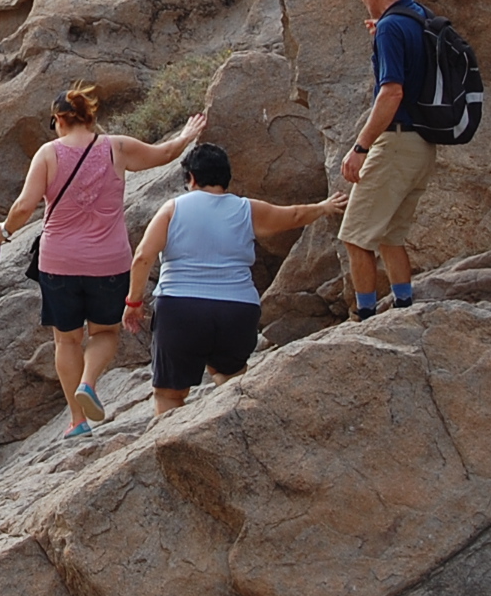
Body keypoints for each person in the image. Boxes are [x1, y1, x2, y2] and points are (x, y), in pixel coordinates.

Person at [0, 85, 207, 437]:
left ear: (59, 119)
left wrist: (3, 232)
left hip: (59, 263)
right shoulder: (116, 147)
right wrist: (187, 135)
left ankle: (78, 421)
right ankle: (88, 382)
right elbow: (164, 154)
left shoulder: (48, 154)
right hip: (109, 262)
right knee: (105, 333)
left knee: (66, 341)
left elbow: (25, 206)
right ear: (90, 118)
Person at [124, 143, 347, 414]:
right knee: (231, 379)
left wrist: (134, 302)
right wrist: (324, 207)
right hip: (237, 310)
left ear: (191, 177)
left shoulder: (172, 209)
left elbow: (143, 257)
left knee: (169, 393)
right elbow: (294, 215)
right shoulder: (246, 209)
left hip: (181, 308)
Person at [336, 0, 437, 319]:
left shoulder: (392, 27)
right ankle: (404, 306)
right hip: (422, 141)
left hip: (396, 140)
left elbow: (391, 92)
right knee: (391, 235)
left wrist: (360, 147)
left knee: (355, 236)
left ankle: (365, 316)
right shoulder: (419, 16)